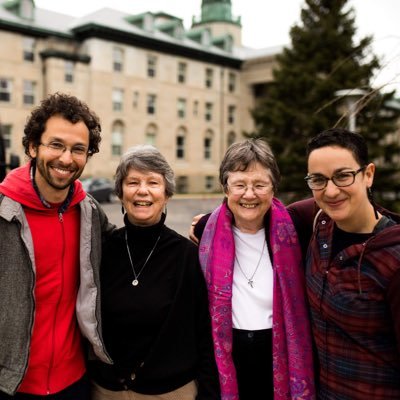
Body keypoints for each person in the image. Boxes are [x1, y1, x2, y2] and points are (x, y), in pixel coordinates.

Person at [77, 145, 220, 400]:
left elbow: (205, 334)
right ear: (121, 193)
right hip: (106, 391)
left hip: (171, 392)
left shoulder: (188, 255)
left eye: (153, 182)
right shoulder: (101, 250)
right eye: (133, 182)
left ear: (166, 194)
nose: (142, 190)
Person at [0, 93, 114, 399]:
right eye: (56, 145)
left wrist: (208, 225)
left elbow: (131, 246)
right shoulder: (3, 211)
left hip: (74, 383)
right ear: (33, 147)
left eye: (78, 149)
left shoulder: (88, 211)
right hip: (11, 384)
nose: (66, 158)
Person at [193, 138, 315, 400]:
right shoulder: (205, 231)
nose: (249, 195)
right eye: (239, 185)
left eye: (259, 185)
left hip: (278, 352)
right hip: (225, 354)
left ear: (273, 189)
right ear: (226, 188)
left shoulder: (295, 231)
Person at [303, 128, 400, 399]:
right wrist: (216, 222)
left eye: (343, 176)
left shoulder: (393, 259)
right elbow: (269, 212)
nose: (331, 191)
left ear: (368, 174)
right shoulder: (320, 225)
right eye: (318, 180)